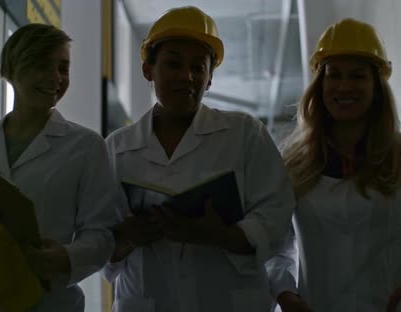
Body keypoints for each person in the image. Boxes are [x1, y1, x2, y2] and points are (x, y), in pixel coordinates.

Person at [100, 6, 296, 312]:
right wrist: (127, 237)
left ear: (210, 78)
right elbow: (97, 239)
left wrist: (221, 235)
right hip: (147, 300)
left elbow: (278, 218)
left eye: (198, 67)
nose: (186, 77)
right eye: (173, 64)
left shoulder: (244, 134)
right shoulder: (116, 149)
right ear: (148, 70)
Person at [265, 18, 401, 312]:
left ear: (376, 86)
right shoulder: (293, 163)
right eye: (334, 75)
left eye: (357, 76)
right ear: (320, 84)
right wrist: (287, 296)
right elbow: (276, 249)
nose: (344, 86)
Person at [0, 23, 118, 311]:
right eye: (42, 65)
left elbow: (103, 232)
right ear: (12, 68)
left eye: (63, 68)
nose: (56, 78)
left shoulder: (86, 146)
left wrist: (66, 257)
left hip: (49, 300)